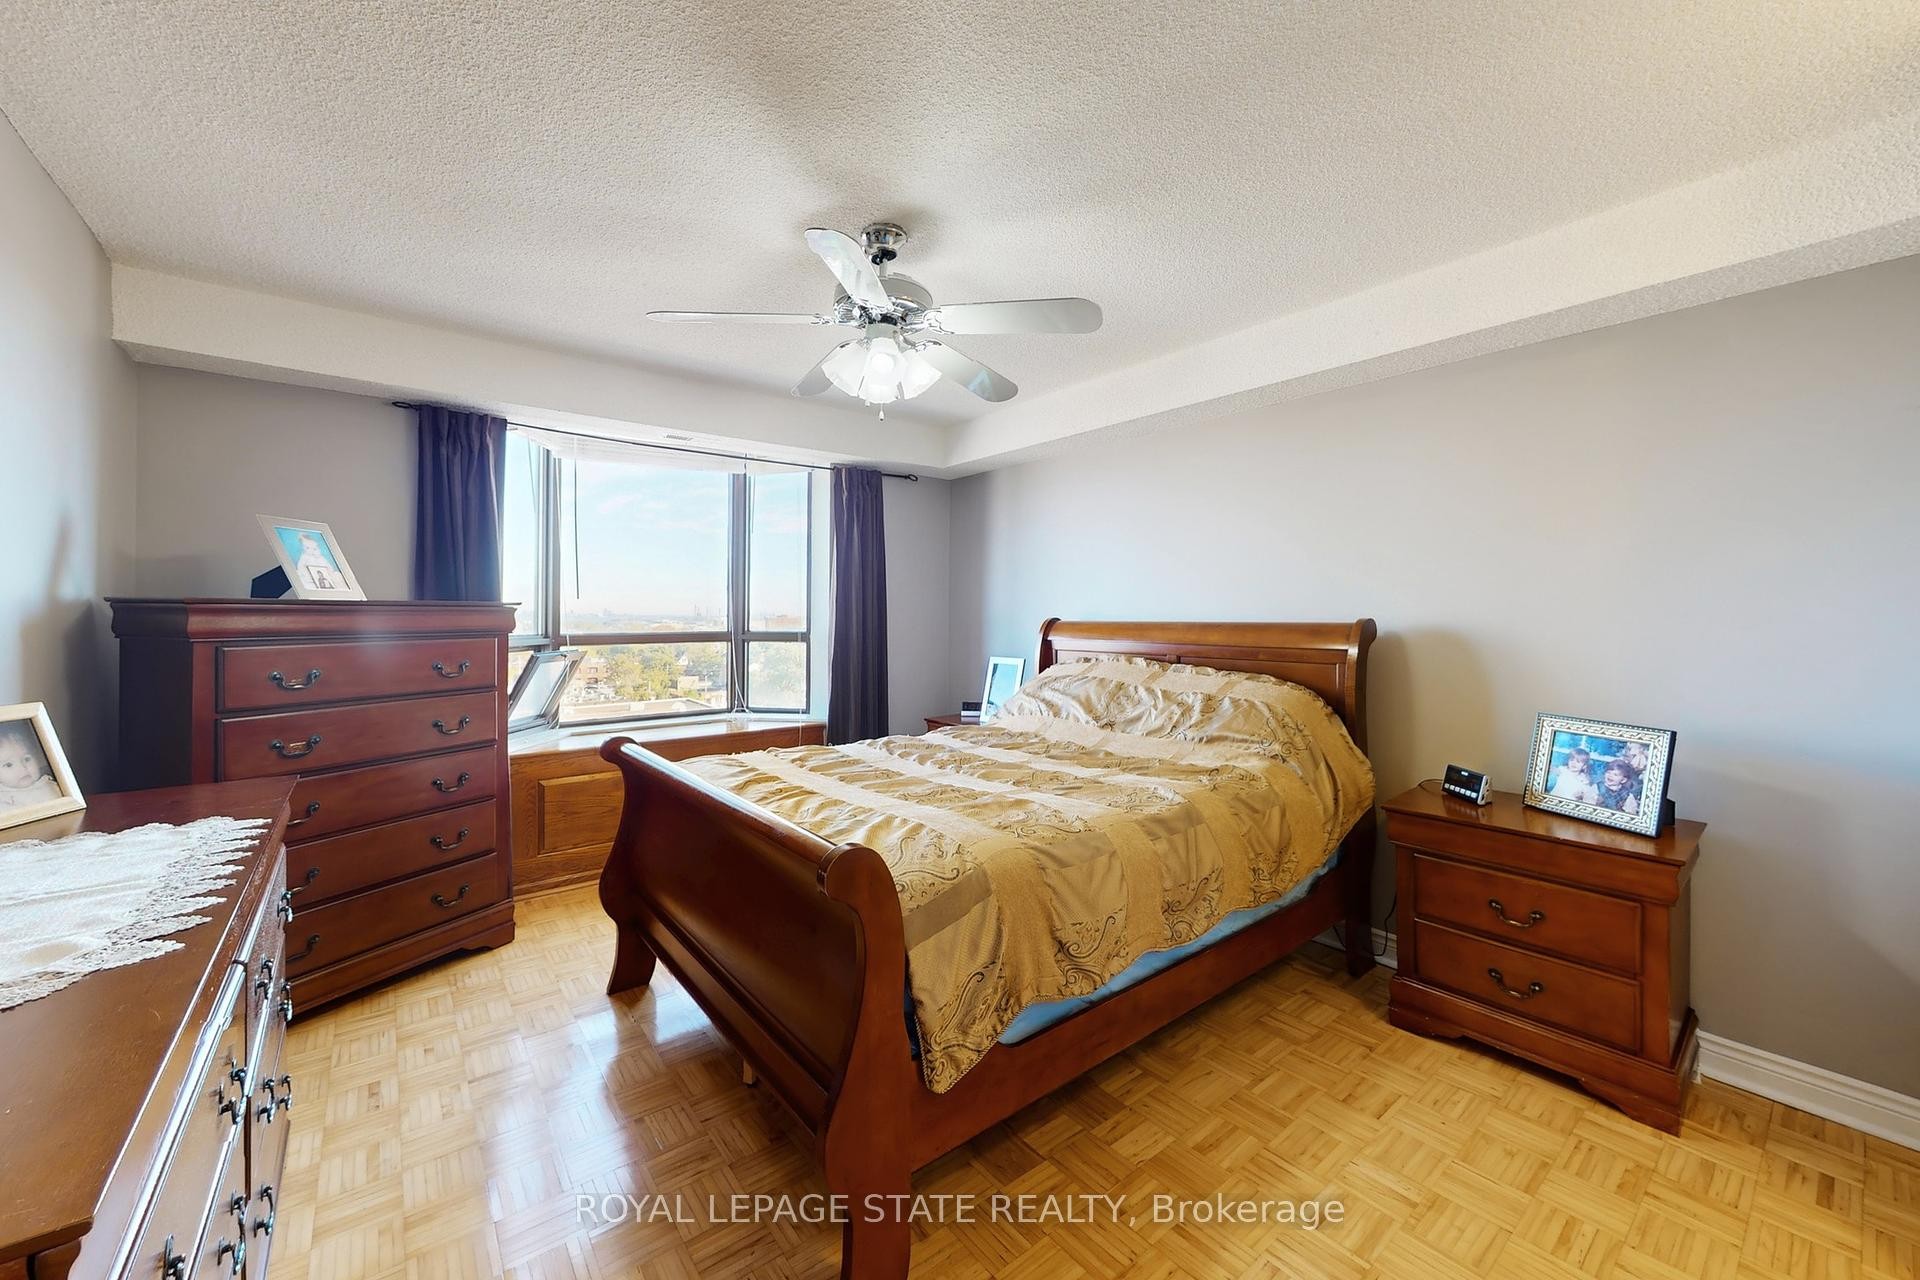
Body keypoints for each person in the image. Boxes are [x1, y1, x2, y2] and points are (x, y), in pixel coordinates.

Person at [0, 723, 63, 811]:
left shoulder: (51, 786)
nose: (23, 768)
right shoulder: (3, 799)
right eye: (9, 765)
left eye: (27, 759)